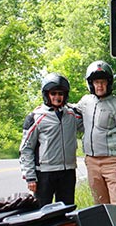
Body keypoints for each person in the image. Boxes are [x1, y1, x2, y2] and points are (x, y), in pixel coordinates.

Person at [74, 60, 116, 215]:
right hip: (92, 162)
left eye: (102, 82)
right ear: (91, 84)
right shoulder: (86, 102)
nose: (99, 86)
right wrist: (48, 107)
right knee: (100, 204)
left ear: (108, 83)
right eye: (96, 82)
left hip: (112, 162)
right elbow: (70, 110)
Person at [19, 73, 83, 206]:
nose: (57, 97)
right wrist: (30, 177)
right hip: (44, 174)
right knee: (42, 213)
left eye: (60, 94)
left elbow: (92, 123)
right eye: (53, 93)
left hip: (67, 172)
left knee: (66, 212)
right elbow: (26, 149)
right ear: (46, 94)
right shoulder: (36, 117)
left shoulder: (72, 115)